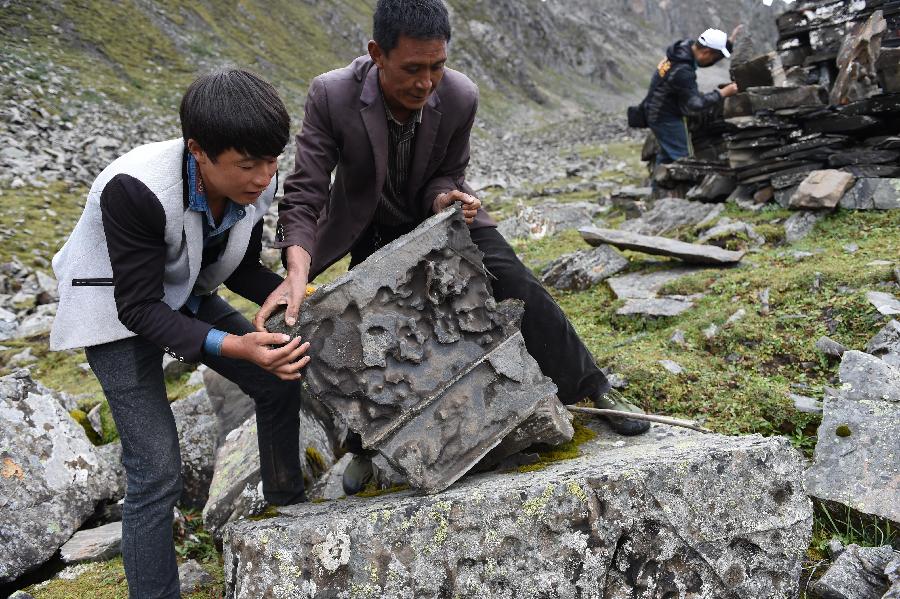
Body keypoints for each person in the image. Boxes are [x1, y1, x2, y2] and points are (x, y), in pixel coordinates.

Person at [255, 0, 650, 494]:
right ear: (377, 54)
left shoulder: (460, 96)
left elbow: (449, 170)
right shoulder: (332, 94)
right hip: (367, 228)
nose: (425, 83)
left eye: (437, 67)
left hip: (442, 217)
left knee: (517, 282)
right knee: (365, 337)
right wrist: (297, 266)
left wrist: (445, 197)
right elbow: (308, 188)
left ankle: (593, 390)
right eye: (412, 69)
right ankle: (365, 450)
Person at [50, 69, 311, 599]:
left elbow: (231, 263)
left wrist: (278, 289)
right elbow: (138, 307)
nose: (264, 178)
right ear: (198, 150)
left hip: (181, 291)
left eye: (271, 162)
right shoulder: (136, 188)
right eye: (248, 165)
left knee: (281, 376)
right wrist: (234, 345)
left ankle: (289, 518)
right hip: (113, 310)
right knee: (156, 470)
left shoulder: (254, 176)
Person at [643, 27, 741, 165]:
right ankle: (676, 185)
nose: (713, 62)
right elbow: (695, 104)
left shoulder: (683, 49)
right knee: (681, 157)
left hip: (656, 108)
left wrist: (728, 43)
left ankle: (659, 184)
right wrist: (723, 93)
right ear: (706, 52)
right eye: (714, 57)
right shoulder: (683, 70)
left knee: (666, 155)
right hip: (664, 116)